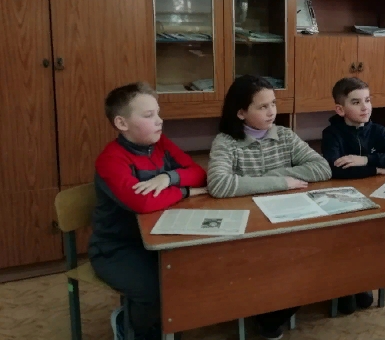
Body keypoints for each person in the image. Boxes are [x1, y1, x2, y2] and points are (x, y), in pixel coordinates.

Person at [206, 74, 332, 339]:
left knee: (315, 258)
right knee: (272, 267)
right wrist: (280, 182)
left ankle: (274, 313)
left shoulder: (284, 135)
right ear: (241, 112)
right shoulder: (226, 142)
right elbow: (219, 184)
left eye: (273, 103)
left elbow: (322, 168)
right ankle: (267, 314)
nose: (272, 111)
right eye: (262, 106)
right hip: (250, 230)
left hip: (288, 221)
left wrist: (274, 175)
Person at [88, 82, 208, 340]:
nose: (159, 121)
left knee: (194, 273)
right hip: (117, 248)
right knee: (154, 290)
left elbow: (199, 174)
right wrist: (185, 192)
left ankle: (161, 325)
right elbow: (141, 203)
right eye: (148, 115)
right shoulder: (111, 159)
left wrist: (168, 178)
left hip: (161, 239)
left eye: (158, 113)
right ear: (121, 123)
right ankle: (130, 327)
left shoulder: (161, 144)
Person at [320, 77, 385, 314]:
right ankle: (343, 286)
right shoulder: (332, 134)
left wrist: (365, 160)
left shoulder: (377, 130)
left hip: (375, 198)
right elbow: (334, 170)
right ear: (340, 109)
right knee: (346, 243)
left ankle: (363, 280)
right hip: (342, 201)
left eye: (368, 100)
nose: (365, 107)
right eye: (356, 102)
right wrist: (379, 169)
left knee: (371, 239)